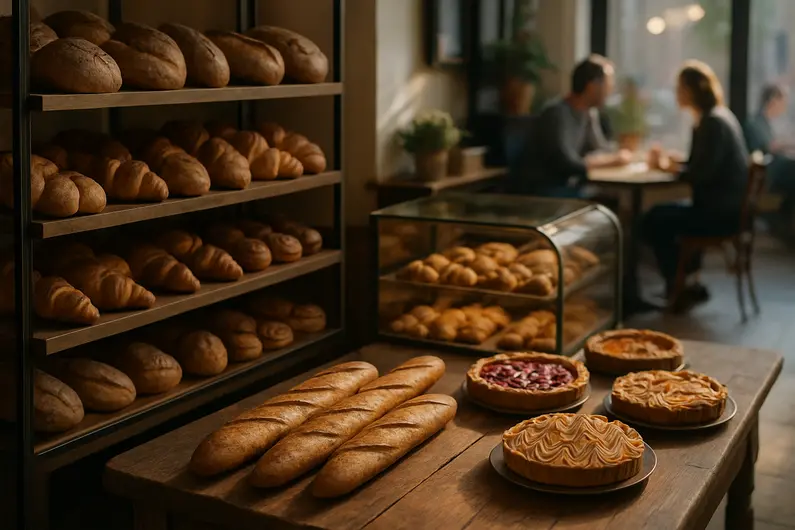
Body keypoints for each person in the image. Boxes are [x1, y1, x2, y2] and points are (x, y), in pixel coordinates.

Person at [642, 60, 749, 312]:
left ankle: (679, 283)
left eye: (679, 88)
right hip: (726, 210)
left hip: (718, 215)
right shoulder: (716, 117)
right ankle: (685, 281)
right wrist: (676, 163)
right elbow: (702, 165)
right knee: (661, 216)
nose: (676, 94)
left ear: (691, 91)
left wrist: (667, 168)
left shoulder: (712, 123)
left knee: (652, 220)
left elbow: (700, 175)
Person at [510, 54, 631, 197]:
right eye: (608, 85)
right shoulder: (556, 114)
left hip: (567, 187)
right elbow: (566, 163)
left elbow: (600, 148)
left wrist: (627, 154)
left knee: (608, 198)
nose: (610, 91)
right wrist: (611, 161)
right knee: (604, 199)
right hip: (544, 191)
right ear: (592, 86)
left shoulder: (588, 113)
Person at [744, 84, 795, 228]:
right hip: (765, 177)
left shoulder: (764, 124)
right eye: (782, 102)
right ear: (773, 100)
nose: (784, 107)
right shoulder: (754, 123)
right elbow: (766, 149)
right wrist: (787, 144)